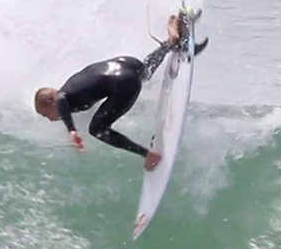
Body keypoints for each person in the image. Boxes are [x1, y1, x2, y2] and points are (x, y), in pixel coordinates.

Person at [33, 15, 207, 171]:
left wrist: (72, 130)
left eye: (45, 114)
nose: (48, 119)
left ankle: (149, 155)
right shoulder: (72, 87)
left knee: (97, 129)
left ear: (50, 102)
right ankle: (171, 41)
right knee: (145, 72)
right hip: (128, 63)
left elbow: (61, 100)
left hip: (124, 82)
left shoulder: (63, 97)